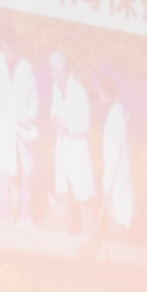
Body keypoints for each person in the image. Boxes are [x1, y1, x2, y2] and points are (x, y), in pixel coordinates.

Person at [0, 27, 39, 221]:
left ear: (16, 49)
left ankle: (26, 217)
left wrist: (29, 117)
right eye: (5, 50)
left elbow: (34, 98)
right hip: (3, 128)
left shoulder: (26, 67)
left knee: (26, 174)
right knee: (4, 174)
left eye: (11, 51)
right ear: (1, 48)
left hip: (23, 129)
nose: (8, 55)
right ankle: (4, 216)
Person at [49, 48, 95, 233]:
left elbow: (85, 124)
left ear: (63, 71)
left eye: (53, 70)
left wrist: (68, 126)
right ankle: (62, 230)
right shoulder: (56, 88)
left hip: (76, 147)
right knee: (62, 190)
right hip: (62, 145)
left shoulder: (79, 92)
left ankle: (89, 231)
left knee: (83, 192)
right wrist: (53, 119)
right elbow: (53, 110)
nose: (51, 74)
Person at [98, 71, 134, 237]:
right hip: (118, 175)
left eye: (100, 94)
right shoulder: (114, 114)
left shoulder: (115, 118)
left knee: (121, 218)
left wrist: (107, 184)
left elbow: (113, 156)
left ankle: (123, 238)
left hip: (118, 176)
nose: (99, 98)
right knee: (121, 213)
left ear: (108, 95)